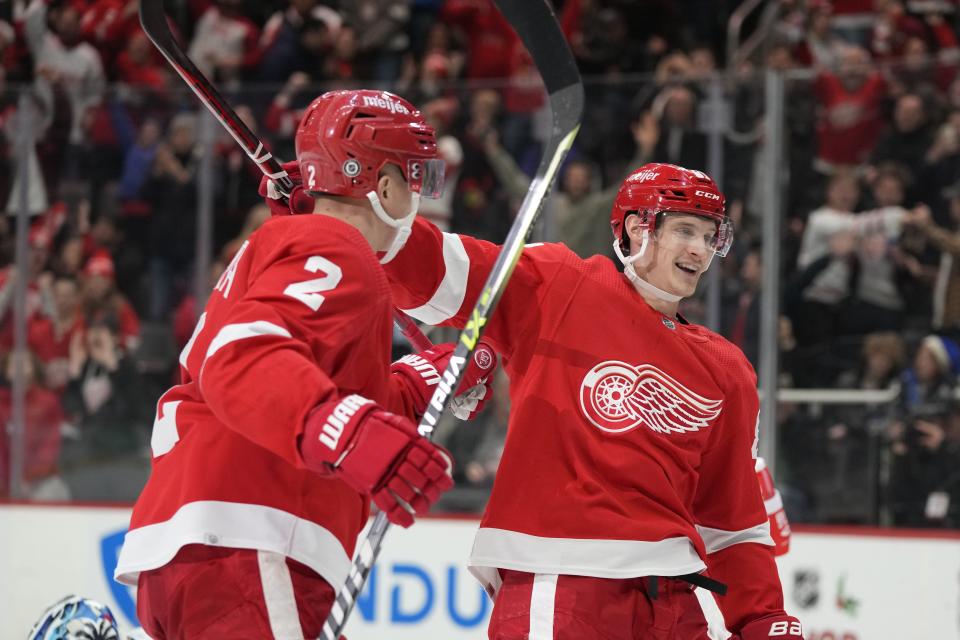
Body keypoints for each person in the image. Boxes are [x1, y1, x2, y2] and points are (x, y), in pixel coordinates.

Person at [339, 162, 802, 638]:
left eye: (710, 236)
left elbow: (733, 520)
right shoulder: (561, 285)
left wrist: (760, 616)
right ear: (637, 229)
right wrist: (344, 208)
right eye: (685, 230)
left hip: (673, 600)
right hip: (562, 583)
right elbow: (439, 265)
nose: (700, 251)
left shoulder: (728, 369)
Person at [115, 90, 495, 639]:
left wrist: (430, 378)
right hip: (255, 535)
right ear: (382, 185)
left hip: (209, 541)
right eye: (416, 177)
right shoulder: (336, 247)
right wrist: (349, 431)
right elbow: (241, 359)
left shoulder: (299, 244)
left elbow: (319, 386)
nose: (420, 195)